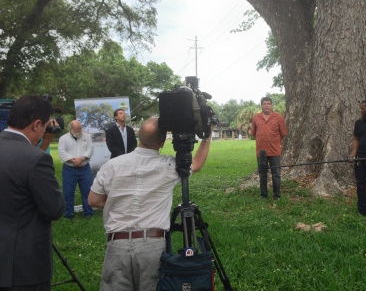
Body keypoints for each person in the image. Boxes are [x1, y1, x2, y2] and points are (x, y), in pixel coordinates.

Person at [88, 117, 213, 291]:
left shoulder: (112, 165)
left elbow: (93, 200)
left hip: (117, 244)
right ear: (161, 143)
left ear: (139, 136)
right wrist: (207, 137)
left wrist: (121, 202)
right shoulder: (169, 166)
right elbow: (197, 164)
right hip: (152, 246)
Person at [0, 95, 65, 291]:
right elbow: (55, 209)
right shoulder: (36, 159)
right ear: (37, 124)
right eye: (45, 126)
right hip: (23, 268)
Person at [250, 96, 287, 200]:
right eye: (264, 104)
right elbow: (253, 133)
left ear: (271, 105)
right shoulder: (256, 118)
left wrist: (274, 141)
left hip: (275, 150)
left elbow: (283, 133)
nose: (266, 105)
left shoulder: (279, 117)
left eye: (268, 103)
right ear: (261, 105)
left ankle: (277, 195)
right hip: (261, 151)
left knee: (276, 174)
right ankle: (264, 195)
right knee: (262, 174)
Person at [58, 120, 94, 219]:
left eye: (80, 128)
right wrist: (73, 160)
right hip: (69, 169)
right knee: (68, 193)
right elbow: (62, 152)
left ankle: (88, 213)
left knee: (87, 191)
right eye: (77, 129)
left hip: (84, 168)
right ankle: (68, 214)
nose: (80, 130)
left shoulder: (87, 137)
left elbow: (90, 149)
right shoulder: (63, 138)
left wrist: (82, 158)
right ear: (71, 129)